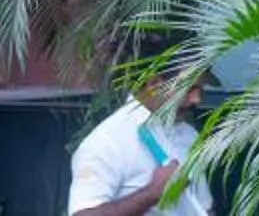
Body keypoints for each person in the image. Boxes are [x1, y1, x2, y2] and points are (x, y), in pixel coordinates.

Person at [69, 52, 213, 216]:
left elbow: (203, 206)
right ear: (154, 84)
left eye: (201, 90)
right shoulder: (106, 142)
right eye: (189, 89)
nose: (196, 99)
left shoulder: (188, 134)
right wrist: (152, 193)